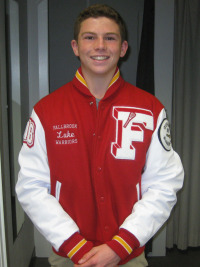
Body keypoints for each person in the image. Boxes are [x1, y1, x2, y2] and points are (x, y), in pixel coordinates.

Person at [16, 4, 184, 267]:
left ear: (123, 48)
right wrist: (74, 244)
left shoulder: (150, 108)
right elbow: (31, 187)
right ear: (75, 47)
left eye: (110, 37)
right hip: (69, 257)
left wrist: (120, 245)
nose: (100, 45)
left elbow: (164, 184)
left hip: (127, 255)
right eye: (90, 37)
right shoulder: (46, 111)